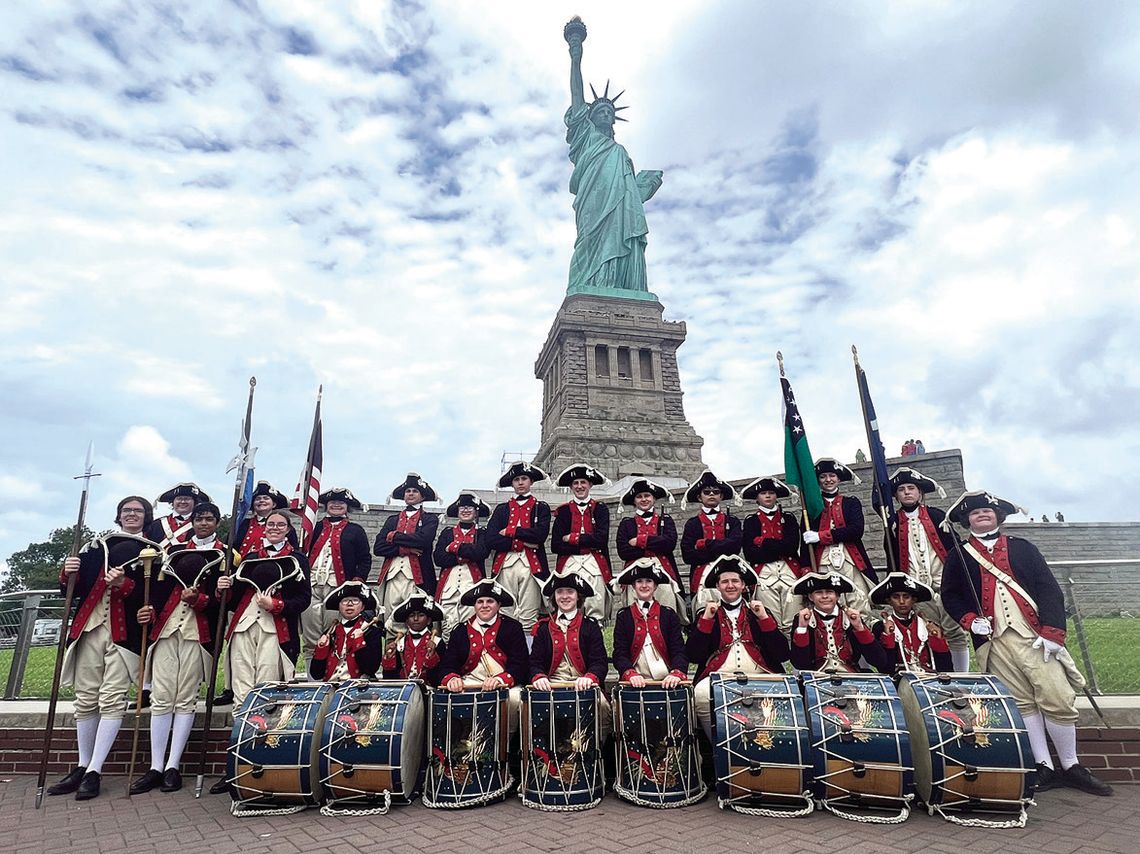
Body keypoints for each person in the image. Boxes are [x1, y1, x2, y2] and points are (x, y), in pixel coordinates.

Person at [941, 491, 1112, 796]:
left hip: (1035, 636)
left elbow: (1048, 588)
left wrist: (1053, 632)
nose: (982, 514)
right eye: (975, 512)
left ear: (998, 516)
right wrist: (969, 620)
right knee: (1021, 702)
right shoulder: (959, 555)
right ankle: (1043, 765)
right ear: (967, 520)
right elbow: (950, 595)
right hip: (994, 641)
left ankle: (1071, 765)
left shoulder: (1023, 548)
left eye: (987, 510)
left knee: (1057, 696)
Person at [47, 497, 157, 801]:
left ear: (146, 516)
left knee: (112, 699)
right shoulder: (96, 547)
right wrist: (67, 572)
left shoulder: (154, 552)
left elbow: (155, 597)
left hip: (124, 635)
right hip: (89, 628)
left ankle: (95, 770)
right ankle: (82, 765)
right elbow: (73, 590)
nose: (131, 514)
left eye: (138, 511)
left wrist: (124, 585)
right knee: (85, 699)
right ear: (118, 516)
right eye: (126, 510)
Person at [130, 503, 229, 794]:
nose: (203, 523)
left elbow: (224, 602)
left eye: (209, 519)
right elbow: (158, 590)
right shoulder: (173, 551)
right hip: (167, 629)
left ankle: (173, 765)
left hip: (198, 633)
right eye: (199, 518)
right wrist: (149, 609)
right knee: (161, 697)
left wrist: (202, 599)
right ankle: (155, 766)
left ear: (217, 522)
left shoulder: (225, 555)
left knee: (185, 699)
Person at [563, 17, 662, 295]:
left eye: (609, 112)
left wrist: (644, 186)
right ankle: (591, 287)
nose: (606, 114)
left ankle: (622, 287)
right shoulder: (585, 137)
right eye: (600, 111)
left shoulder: (620, 152)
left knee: (622, 237)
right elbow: (577, 94)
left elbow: (631, 194)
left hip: (621, 210)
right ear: (590, 118)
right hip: (593, 204)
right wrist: (575, 54)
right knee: (588, 242)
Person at [686, 555, 790, 738]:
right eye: (724, 582)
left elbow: (782, 654)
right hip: (719, 675)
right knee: (701, 694)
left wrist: (764, 619)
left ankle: (769, 743)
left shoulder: (759, 612)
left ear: (743, 585)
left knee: (783, 691)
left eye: (735, 581)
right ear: (717, 586)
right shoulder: (707, 614)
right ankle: (718, 745)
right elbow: (693, 655)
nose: (730, 585)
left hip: (759, 674)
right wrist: (706, 620)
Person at [885, 467, 970, 671]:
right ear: (896, 496)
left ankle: (962, 675)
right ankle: (936, 672)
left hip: (945, 586)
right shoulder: (893, 523)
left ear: (920, 492)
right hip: (917, 590)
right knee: (928, 631)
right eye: (901, 489)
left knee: (955, 632)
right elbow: (891, 557)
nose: (907, 492)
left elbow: (955, 548)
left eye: (911, 488)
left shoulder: (936, 515)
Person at [437, 580, 530, 732]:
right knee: (449, 699)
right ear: (474, 605)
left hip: (504, 683)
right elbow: (448, 664)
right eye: (480, 602)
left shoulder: (513, 628)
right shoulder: (459, 631)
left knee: (514, 699)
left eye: (490, 601)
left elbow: (520, 664)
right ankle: (464, 740)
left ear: (499, 605)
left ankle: (506, 740)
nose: (484, 605)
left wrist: (500, 679)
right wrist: (452, 678)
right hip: (469, 682)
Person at [529, 573, 612, 742]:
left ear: (578, 596)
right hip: (552, 684)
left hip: (583, 683)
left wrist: (590, 677)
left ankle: (596, 748)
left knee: (602, 706)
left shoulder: (590, 626)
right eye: (560, 592)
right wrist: (539, 676)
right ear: (554, 597)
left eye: (570, 592)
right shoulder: (543, 628)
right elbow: (534, 662)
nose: (565, 596)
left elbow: (599, 661)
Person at [302, 487, 371, 668]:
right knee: (311, 635)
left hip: (337, 588)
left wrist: (357, 580)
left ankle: (332, 673)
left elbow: (365, 559)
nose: (336, 505)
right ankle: (312, 678)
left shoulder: (355, 530)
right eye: (332, 502)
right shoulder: (314, 528)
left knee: (333, 632)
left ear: (347, 506)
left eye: (341, 502)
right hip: (311, 586)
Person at [802, 458, 876, 619]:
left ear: (838, 479)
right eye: (823, 476)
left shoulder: (851, 503)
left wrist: (820, 536)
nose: (828, 480)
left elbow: (856, 531)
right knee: (828, 603)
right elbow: (805, 542)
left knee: (858, 600)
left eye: (832, 476)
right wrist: (806, 568)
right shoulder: (811, 508)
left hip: (850, 559)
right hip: (822, 561)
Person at [486, 462, 551, 638]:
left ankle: (527, 653)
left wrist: (511, 531)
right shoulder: (501, 510)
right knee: (505, 613)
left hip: (532, 566)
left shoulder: (541, 507)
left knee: (529, 615)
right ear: (512, 483)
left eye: (524, 479)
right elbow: (491, 539)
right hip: (505, 565)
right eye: (516, 480)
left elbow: (540, 535)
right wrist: (524, 542)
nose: (520, 483)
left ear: (531, 482)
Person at [374, 473, 440, 637]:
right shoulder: (392, 520)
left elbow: (423, 540)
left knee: (417, 619)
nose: (410, 494)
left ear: (422, 496)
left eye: (415, 491)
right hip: (393, 576)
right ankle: (392, 652)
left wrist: (394, 536)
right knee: (391, 619)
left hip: (418, 578)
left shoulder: (430, 519)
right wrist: (405, 550)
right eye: (408, 491)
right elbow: (379, 547)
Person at [614, 478, 688, 623]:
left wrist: (639, 541)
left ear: (654, 498)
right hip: (634, 570)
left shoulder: (666, 520)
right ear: (634, 501)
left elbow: (669, 544)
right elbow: (623, 551)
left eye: (647, 495)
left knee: (667, 603)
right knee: (634, 610)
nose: (644, 499)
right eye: (639, 496)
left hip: (662, 569)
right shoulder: (626, 524)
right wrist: (655, 545)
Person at [789, 572, 888, 673]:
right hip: (816, 678)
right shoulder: (801, 619)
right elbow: (800, 664)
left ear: (837, 596)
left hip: (850, 676)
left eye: (829, 592)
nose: (824, 596)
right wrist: (802, 629)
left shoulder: (851, 618)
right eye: (819, 592)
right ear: (811, 597)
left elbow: (879, 660)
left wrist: (860, 628)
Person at [740, 476, 803, 635]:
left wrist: (764, 542)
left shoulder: (788, 518)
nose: (767, 496)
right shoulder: (751, 521)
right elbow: (750, 554)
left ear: (776, 496)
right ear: (757, 498)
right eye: (763, 493)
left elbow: (792, 547)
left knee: (794, 618)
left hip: (789, 570)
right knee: (770, 620)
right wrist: (780, 547)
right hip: (764, 573)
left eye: (771, 493)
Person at [551, 464, 611, 625]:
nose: (579, 486)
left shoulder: (600, 509)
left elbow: (602, 540)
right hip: (569, 563)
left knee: (596, 605)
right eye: (575, 483)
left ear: (590, 484)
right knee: (568, 605)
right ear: (571, 487)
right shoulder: (563, 512)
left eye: (583, 482)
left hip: (594, 562)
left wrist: (572, 538)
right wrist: (589, 541)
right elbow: (556, 545)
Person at [611, 559, 688, 686]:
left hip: (667, 678)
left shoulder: (668, 615)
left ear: (656, 585)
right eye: (639, 581)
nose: (644, 585)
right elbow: (620, 652)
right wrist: (630, 673)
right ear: (633, 586)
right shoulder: (624, 616)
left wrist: (676, 673)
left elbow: (678, 650)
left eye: (648, 581)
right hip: (636, 679)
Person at [680, 470, 742, 614]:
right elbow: (688, 555)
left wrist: (706, 544)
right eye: (707, 492)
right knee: (704, 615)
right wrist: (722, 548)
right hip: (701, 577)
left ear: (721, 496)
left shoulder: (732, 521)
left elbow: (735, 548)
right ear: (699, 497)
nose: (712, 494)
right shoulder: (692, 523)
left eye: (716, 492)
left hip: (728, 574)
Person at [433, 493, 491, 640]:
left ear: (476, 512)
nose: (466, 510)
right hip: (448, 589)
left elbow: (481, 552)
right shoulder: (447, 533)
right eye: (462, 507)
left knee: (471, 629)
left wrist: (455, 547)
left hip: (472, 587)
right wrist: (467, 554)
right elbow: (439, 558)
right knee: (447, 629)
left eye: (470, 507)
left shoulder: (482, 533)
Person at [869, 573, 952, 675]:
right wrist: (888, 637)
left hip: (929, 678)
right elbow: (885, 669)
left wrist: (937, 640)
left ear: (914, 600)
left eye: (906, 597)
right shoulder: (880, 628)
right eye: (896, 597)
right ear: (889, 601)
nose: (901, 601)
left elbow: (946, 668)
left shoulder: (928, 626)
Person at [309, 580, 383, 681]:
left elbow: (371, 669)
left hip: (359, 686)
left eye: (355, 600)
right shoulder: (330, 633)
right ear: (338, 607)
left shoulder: (372, 632)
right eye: (345, 601)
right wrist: (321, 649)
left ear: (363, 607)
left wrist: (359, 641)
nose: (349, 604)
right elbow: (316, 674)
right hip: (330, 684)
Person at [381, 593, 446, 683]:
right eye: (411, 615)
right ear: (406, 621)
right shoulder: (400, 644)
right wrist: (389, 658)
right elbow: (389, 678)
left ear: (429, 620)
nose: (416, 618)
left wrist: (432, 656)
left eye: (421, 615)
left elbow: (441, 675)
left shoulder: (438, 643)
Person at [234, 481, 297, 556]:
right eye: (258, 499)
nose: (261, 500)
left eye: (266, 498)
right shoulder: (244, 524)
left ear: (274, 504)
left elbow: (293, 550)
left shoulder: (284, 525)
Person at [147, 483, 210, 547]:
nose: (183, 502)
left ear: (195, 502)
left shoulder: (204, 525)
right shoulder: (156, 524)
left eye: (187, 499)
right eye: (179, 499)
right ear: (172, 502)